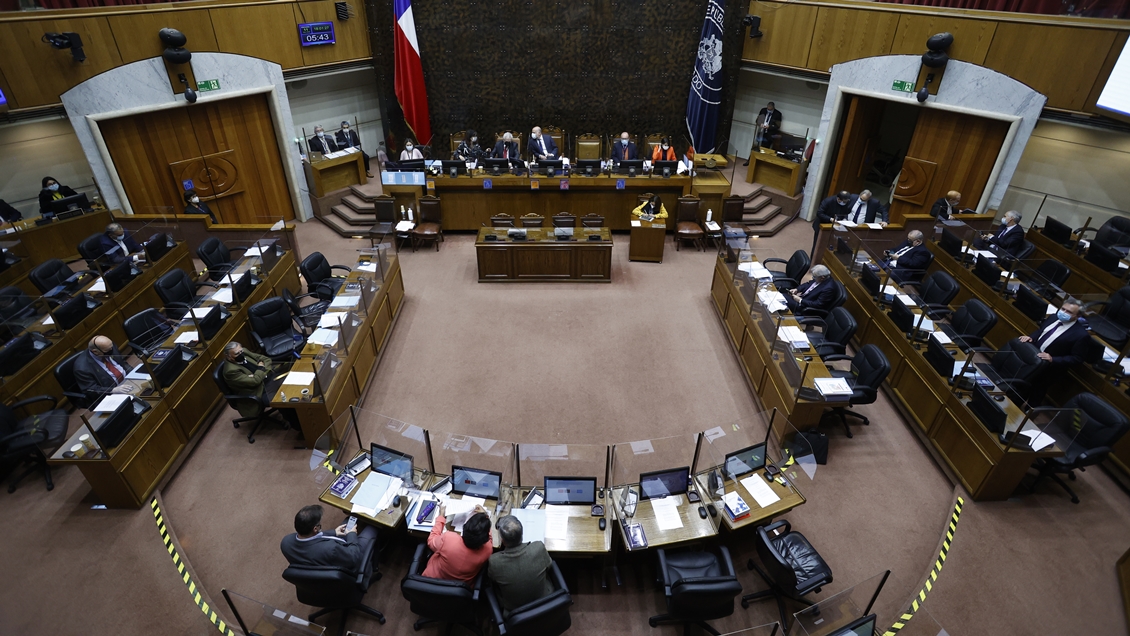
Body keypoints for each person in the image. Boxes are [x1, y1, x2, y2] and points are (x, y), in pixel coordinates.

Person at [281, 504, 379, 587]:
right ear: (315, 529)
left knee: (348, 520)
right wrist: (352, 534)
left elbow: (313, 537)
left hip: (318, 568)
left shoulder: (286, 542)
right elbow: (354, 557)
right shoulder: (331, 549)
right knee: (373, 526)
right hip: (350, 567)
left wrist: (334, 532)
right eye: (319, 525)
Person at [1016, 298, 1089, 403]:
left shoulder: (1081, 335)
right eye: (1063, 309)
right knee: (1021, 386)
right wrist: (1031, 337)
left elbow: (1077, 358)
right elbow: (1041, 331)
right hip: (1032, 358)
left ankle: (1029, 412)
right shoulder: (1053, 317)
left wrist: (1053, 359)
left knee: (1036, 392)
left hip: (1048, 369)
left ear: (1078, 316)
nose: (1063, 312)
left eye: (1068, 312)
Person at [489, 515, 553, 615]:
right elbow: (549, 566)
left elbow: (492, 580)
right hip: (543, 601)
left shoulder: (494, 561)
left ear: (503, 541)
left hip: (515, 611)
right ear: (522, 534)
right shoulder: (538, 547)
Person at [221, 341, 297, 426]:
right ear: (229, 356)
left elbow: (266, 359)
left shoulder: (244, 351)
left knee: (292, 380)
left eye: (241, 351)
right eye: (236, 354)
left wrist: (258, 374)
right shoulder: (230, 371)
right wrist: (260, 367)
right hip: (258, 391)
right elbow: (255, 382)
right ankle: (296, 424)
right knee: (281, 398)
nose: (241, 354)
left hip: (268, 378)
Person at [421, 503, 492, 583]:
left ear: (464, 528)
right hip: (460, 589)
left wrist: (441, 517)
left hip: (432, 581)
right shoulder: (488, 550)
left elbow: (431, 541)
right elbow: (489, 538)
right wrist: (485, 517)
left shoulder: (449, 539)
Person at [74, 335, 137, 400]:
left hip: (128, 382)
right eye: (108, 350)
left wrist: (133, 373)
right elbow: (91, 389)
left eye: (111, 347)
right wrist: (112, 390)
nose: (112, 350)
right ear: (95, 351)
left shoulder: (109, 346)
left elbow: (122, 362)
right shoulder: (82, 368)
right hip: (110, 394)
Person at [811, 191, 851, 257]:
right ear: (838, 199)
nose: (844, 203)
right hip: (822, 225)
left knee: (830, 245)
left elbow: (847, 212)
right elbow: (819, 213)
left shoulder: (846, 203)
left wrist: (844, 219)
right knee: (817, 245)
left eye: (845, 202)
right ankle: (812, 260)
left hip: (836, 227)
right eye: (843, 202)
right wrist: (831, 219)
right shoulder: (828, 201)